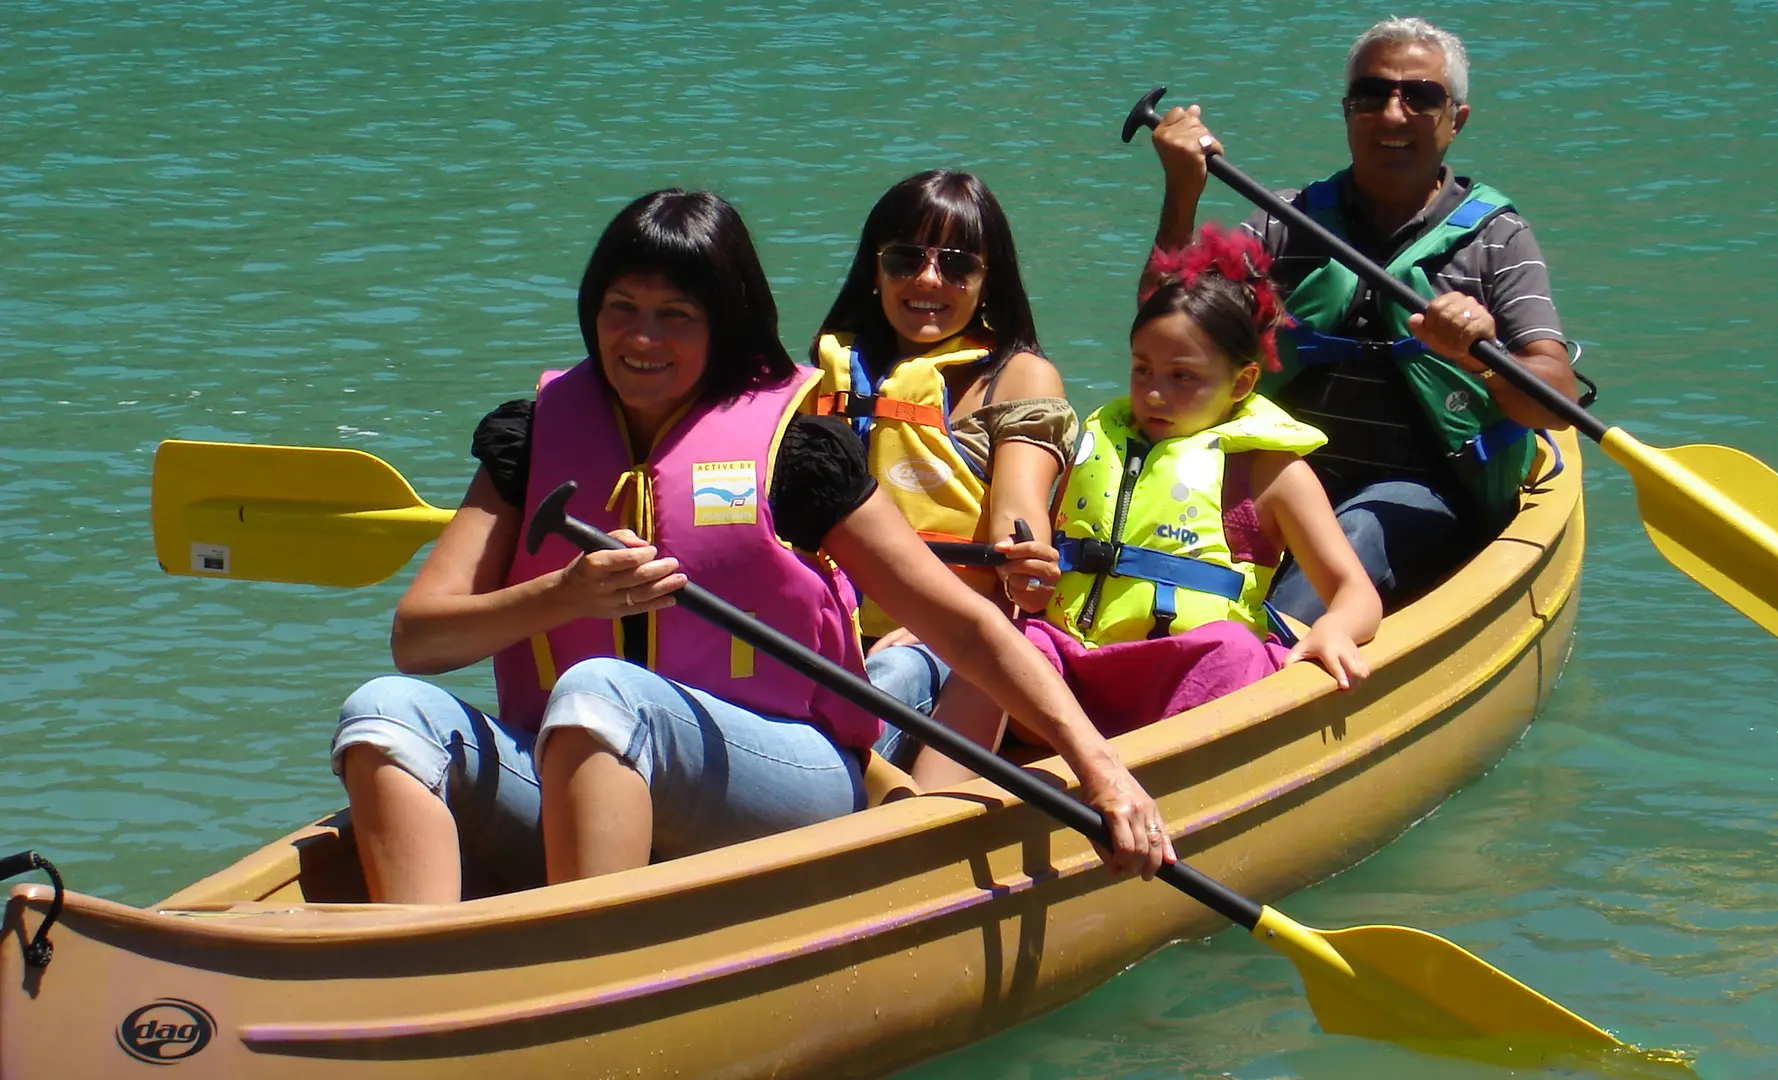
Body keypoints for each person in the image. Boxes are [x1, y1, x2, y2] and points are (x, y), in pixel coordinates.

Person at [331, 190, 1173, 904]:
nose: (641, 340)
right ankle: (420, 964)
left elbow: (966, 627)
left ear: (725, 324)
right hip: (577, 759)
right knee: (382, 712)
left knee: (601, 691)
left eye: (676, 317)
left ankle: (585, 965)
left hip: (784, 775)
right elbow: (420, 639)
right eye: (621, 309)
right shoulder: (532, 440)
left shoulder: (797, 457)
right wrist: (564, 597)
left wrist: (1100, 770)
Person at [911, 227, 1381, 788]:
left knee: (1235, 649)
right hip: (1075, 680)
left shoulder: (1270, 473)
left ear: (1242, 382)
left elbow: (1356, 593)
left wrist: (1333, 631)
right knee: (1001, 638)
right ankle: (925, 806)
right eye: (1142, 370)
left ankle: (1181, 793)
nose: (1155, 393)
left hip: (1180, 686)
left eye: (1183, 376)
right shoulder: (1096, 443)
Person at [1147, 16, 1578, 622]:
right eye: (1371, 96)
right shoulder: (1286, 220)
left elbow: (1555, 402)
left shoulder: (1496, 238)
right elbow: (1164, 338)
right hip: (1286, 478)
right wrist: (1182, 190)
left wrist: (1483, 354)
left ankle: (1263, 667)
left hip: (1428, 495)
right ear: (1348, 112)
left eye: (1421, 97)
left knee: (1357, 529)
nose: (1393, 115)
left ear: (1456, 119)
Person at [811, 170, 1074, 643]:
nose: (929, 278)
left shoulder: (1019, 379)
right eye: (904, 259)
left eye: (957, 266)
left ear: (987, 282)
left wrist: (1028, 569)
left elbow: (1020, 519)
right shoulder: (823, 374)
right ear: (875, 271)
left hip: (953, 642)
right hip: (823, 634)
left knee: (898, 668)